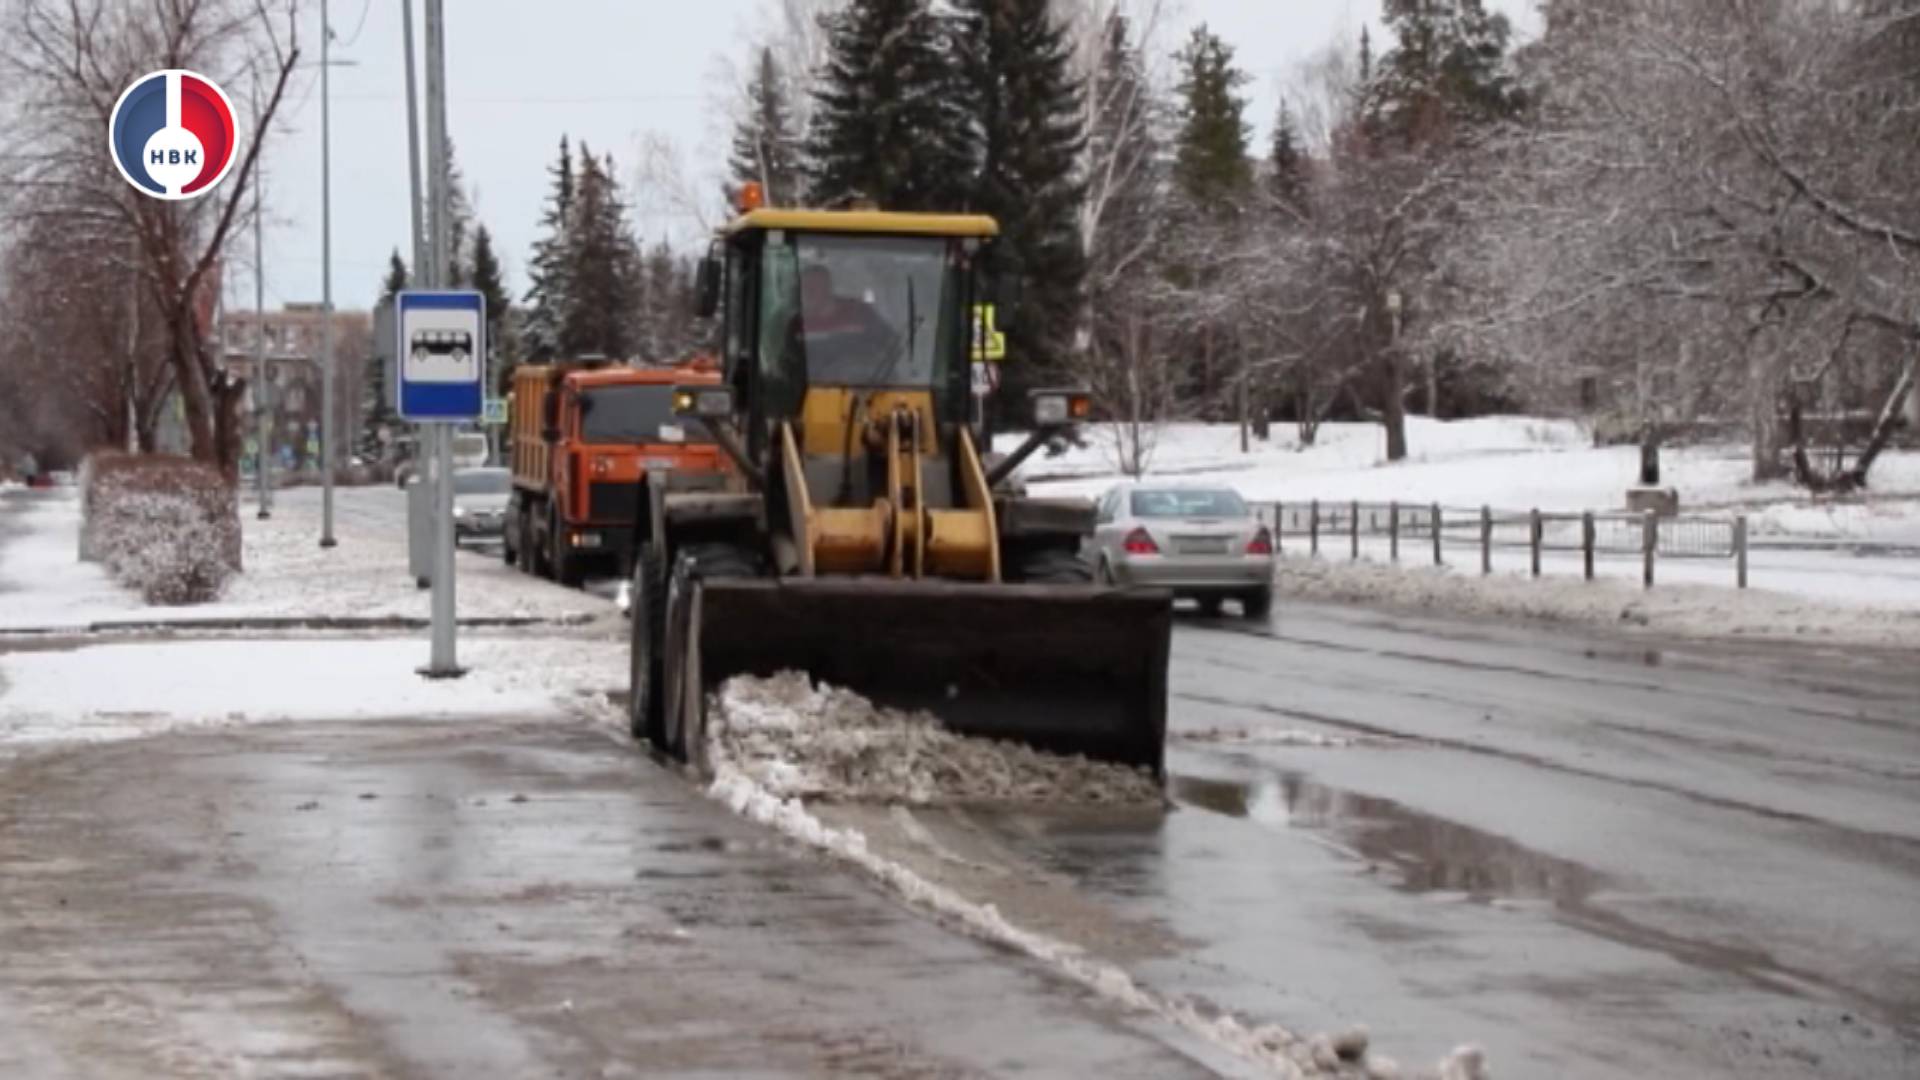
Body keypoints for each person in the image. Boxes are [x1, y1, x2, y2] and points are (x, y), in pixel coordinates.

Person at [790, 264, 896, 382]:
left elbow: (890, 342)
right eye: (806, 287)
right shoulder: (794, 321)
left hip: (859, 385)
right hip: (810, 389)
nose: (810, 292)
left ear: (828, 287)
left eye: (815, 286)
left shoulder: (858, 311)